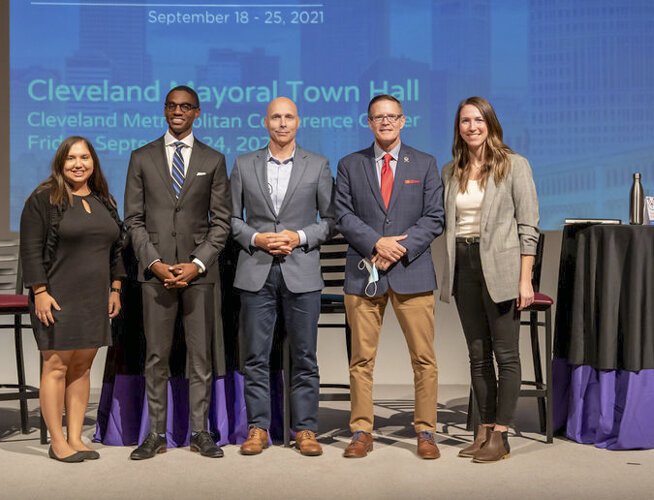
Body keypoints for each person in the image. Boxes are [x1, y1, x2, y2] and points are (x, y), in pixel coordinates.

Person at [124, 85, 231, 459]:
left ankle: (201, 431)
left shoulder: (214, 159)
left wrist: (197, 263)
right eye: (171, 106)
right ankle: (155, 433)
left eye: (185, 107)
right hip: (155, 274)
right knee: (156, 356)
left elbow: (222, 223)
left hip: (199, 274)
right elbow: (133, 221)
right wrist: (153, 262)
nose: (178, 111)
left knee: (200, 357)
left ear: (197, 113)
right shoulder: (141, 157)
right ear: (164, 110)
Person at [335, 94, 444, 459]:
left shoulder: (426, 164)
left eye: (392, 116)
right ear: (368, 122)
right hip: (365, 271)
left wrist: (399, 247)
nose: (385, 122)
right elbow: (343, 216)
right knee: (361, 360)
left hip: (412, 272)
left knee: (423, 359)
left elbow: (434, 217)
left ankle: (426, 430)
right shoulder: (350, 164)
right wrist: (376, 243)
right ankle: (361, 430)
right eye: (378, 117)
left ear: (403, 121)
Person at [230, 97, 334, 456]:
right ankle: (258, 428)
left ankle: (305, 430)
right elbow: (230, 219)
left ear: (298, 122)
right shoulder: (244, 165)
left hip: (301, 272)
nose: (282, 123)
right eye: (276, 117)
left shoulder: (318, 165)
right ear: (265, 123)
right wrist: (256, 238)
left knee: (305, 357)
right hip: (256, 270)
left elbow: (329, 221)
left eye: (288, 117)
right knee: (256, 357)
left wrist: (299, 237)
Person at [440, 96, 539, 463]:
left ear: (491, 123)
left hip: (501, 266)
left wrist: (525, 279)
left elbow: (528, 228)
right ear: (459, 128)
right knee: (478, 355)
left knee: (506, 354)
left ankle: (501, 434)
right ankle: (482, 430)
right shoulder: (451, 171)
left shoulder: (514, 165)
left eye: (478, 120)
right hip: (463, 264)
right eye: (465, 121)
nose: (472, 127)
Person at [20, 136, 125, 463]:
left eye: (85, 157)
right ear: (60, 163)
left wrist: (116, 288)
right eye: (71, 158)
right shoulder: (44, 198)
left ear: (93, 161)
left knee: (82, 368)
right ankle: (57, 441)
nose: (78, 164)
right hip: (56, 296)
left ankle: (76, 437)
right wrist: (39, 291)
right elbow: (31, 248)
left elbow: (116, 250)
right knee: (56, 366)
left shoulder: (104, 199)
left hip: (94, 297)